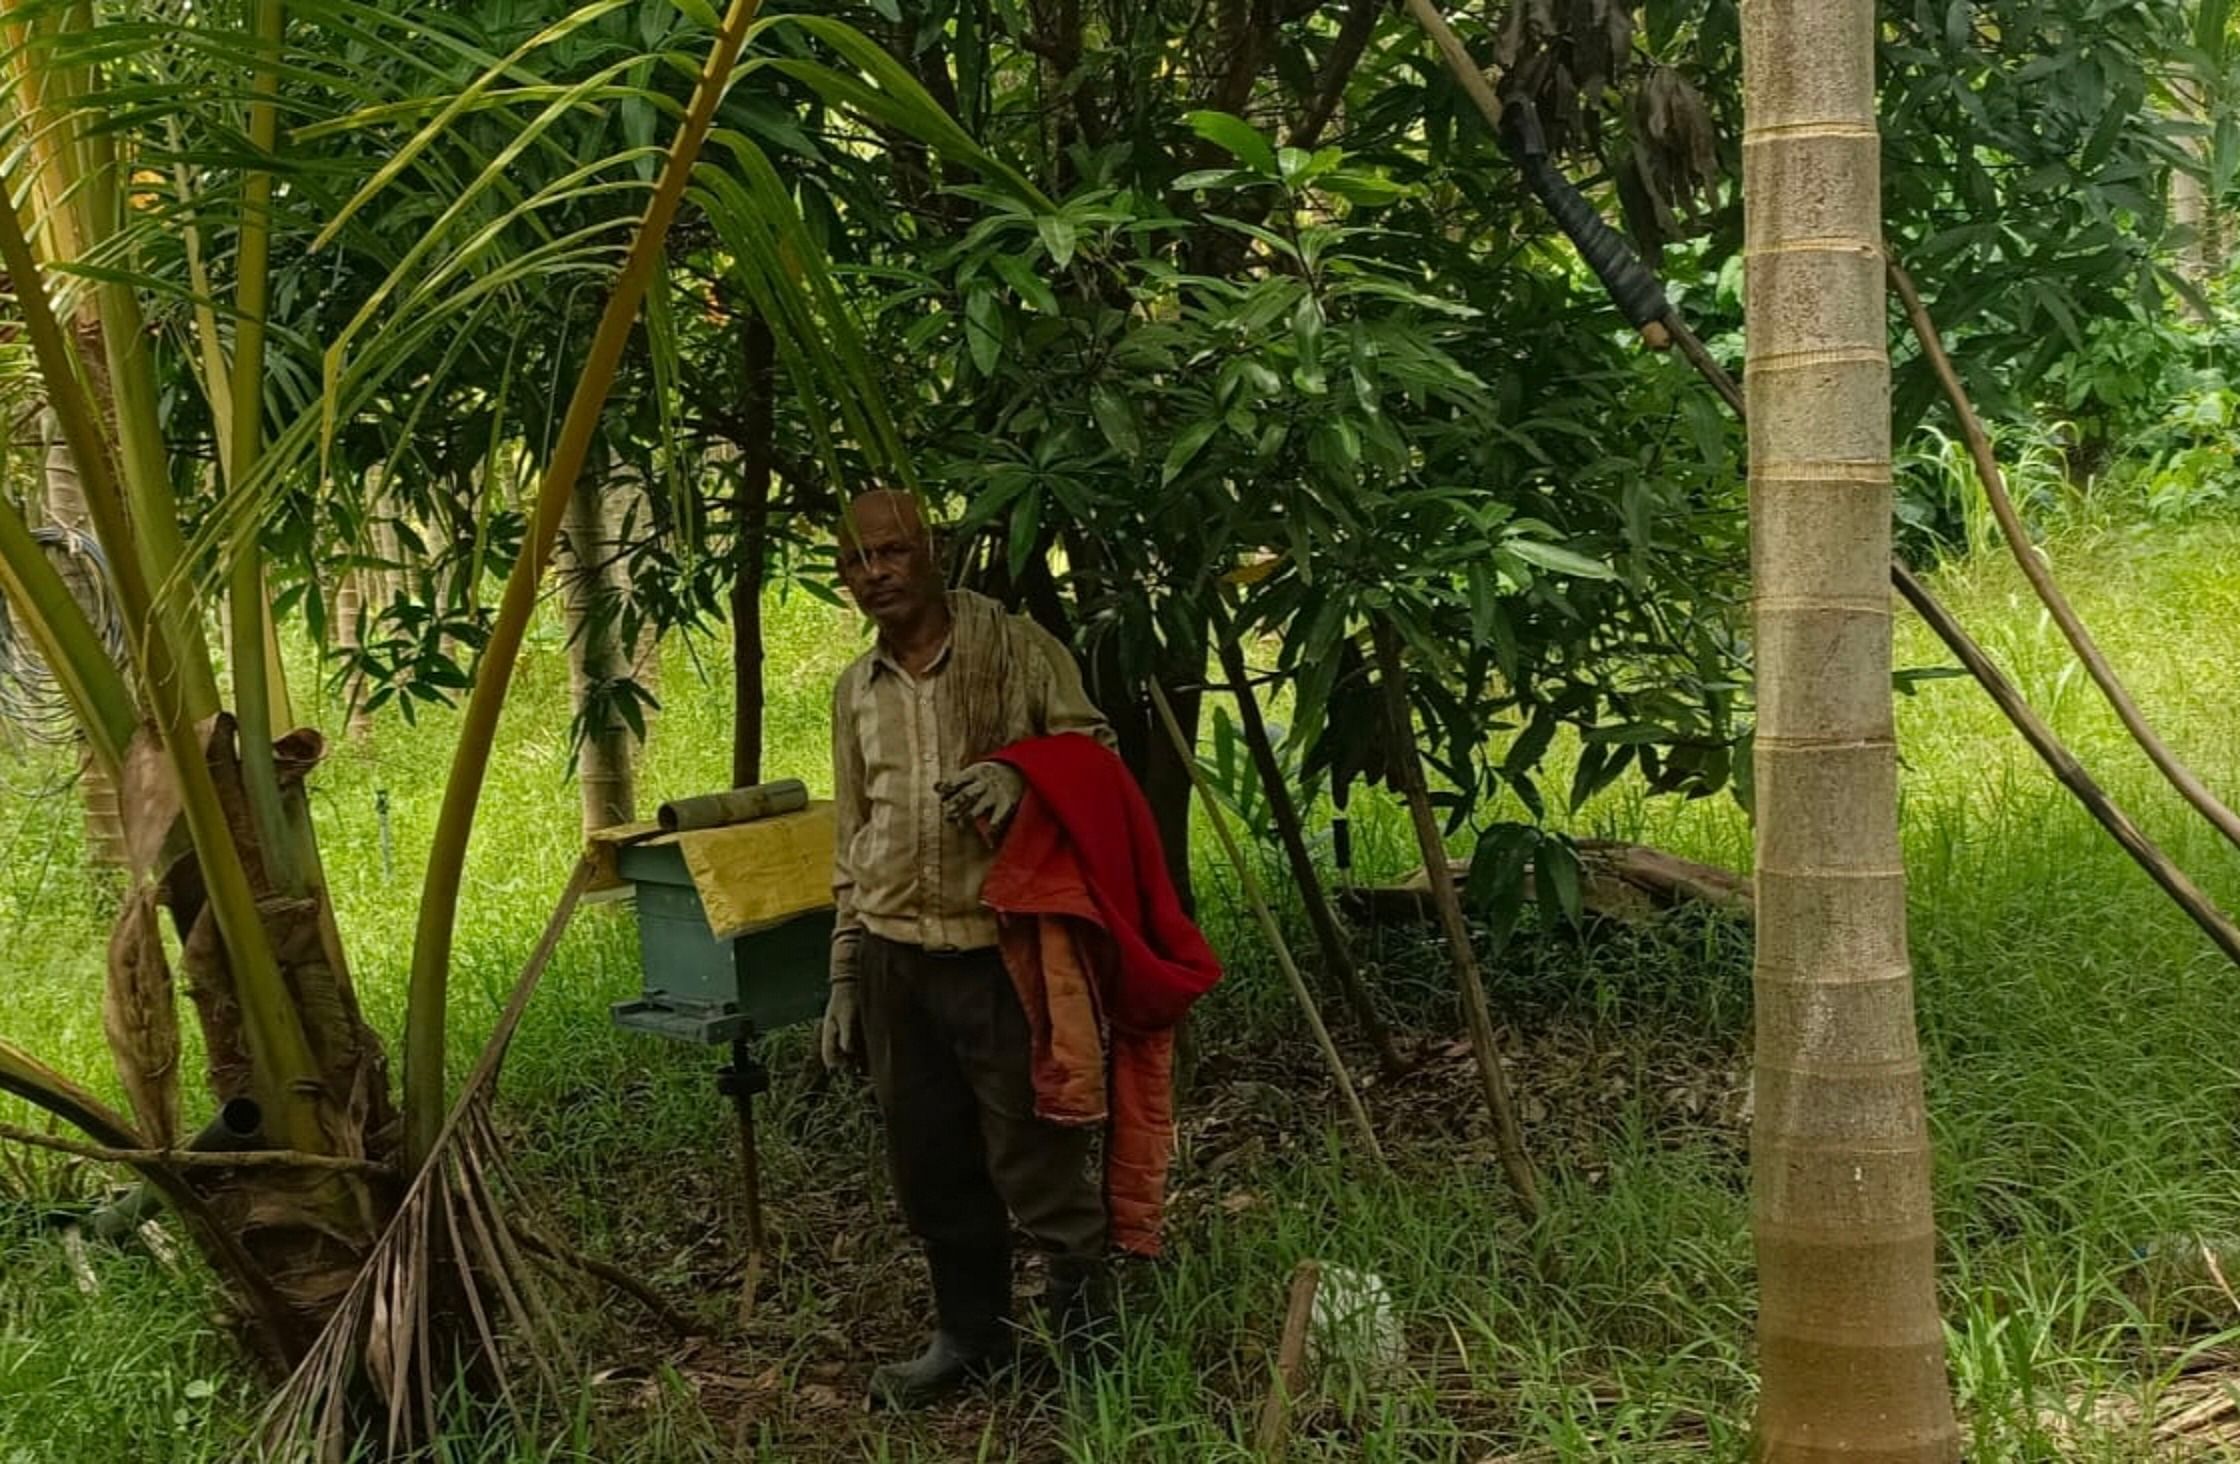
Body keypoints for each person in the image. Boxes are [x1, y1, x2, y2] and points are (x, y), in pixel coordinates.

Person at [820, 489, 1115, 1410]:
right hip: (894, 963)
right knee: (930, 1162)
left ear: (932, 553)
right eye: (857, 562)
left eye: (894, 552)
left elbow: (1096, 754)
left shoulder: (1017, 650)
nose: (877, 574)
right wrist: (842, 972)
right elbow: (852, 836)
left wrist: (1016, 776)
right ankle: (969, 1340)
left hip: (1002, 951)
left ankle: (1090, 1350)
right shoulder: (853, 691)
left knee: (1035, 1154)